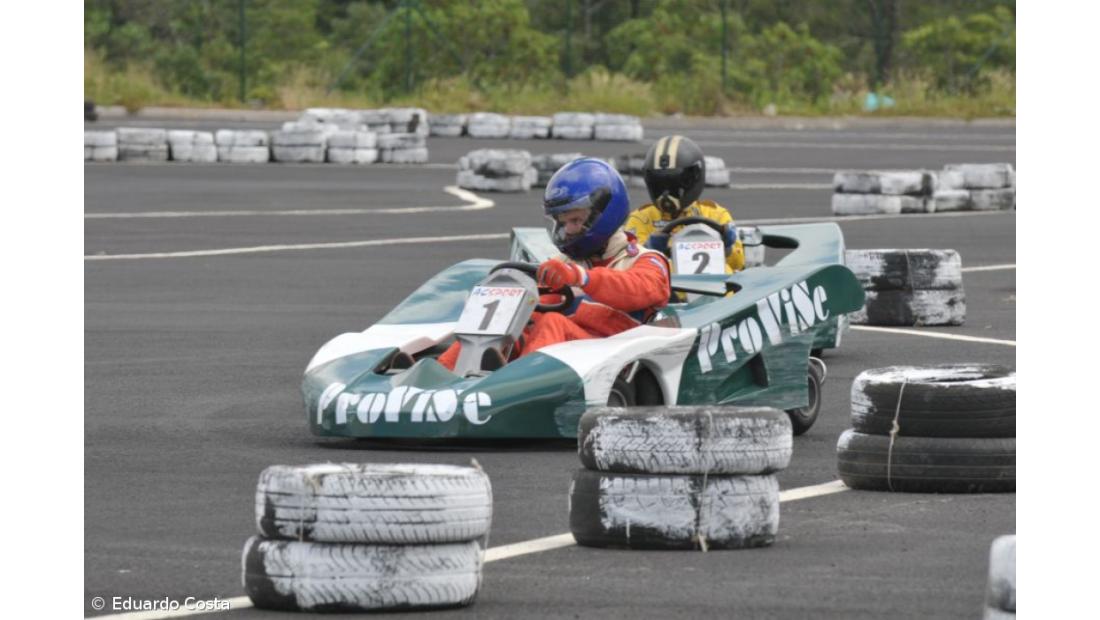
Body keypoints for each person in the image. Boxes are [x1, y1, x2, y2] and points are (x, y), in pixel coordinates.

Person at [438, 158, 671, 372]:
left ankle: (517, 386)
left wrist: (582, 278)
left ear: (605, 215)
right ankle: (439, 378)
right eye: (563, 222)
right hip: (565, 354)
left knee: (553, 322)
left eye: (576, 220)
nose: (568, 230)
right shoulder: (566, 263)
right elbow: (540, 306)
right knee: (505, 326)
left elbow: (639, 288)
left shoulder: (646, 259)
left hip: (612, 354)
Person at [625, 135, 745, 273]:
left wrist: (727, 247)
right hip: (668, 285)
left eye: (673, 186)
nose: (666, 194)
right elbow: (628, 265)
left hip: (716, 284)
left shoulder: (716, 215)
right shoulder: (641, 219)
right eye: (659, 185)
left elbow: (738, 264)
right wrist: (648, 249)